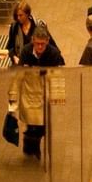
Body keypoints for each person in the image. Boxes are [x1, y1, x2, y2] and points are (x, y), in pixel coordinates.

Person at [9, 26, 64, 159]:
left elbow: (57, 76)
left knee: (41, 125)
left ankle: (31, 145)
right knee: (32, 123)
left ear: (47, 41)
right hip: (29, 92)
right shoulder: (26, 51)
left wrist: (58, 96)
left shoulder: (54, 53)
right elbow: (19, 75)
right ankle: (31, 146)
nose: (40, 47)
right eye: (37, 44)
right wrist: (13, 94)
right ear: (33, 41)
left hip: (44, 94)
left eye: (43, 44)